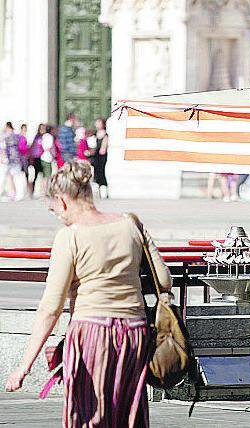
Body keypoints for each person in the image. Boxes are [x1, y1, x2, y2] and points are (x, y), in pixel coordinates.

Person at [4, 160, 173, 427]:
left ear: (62, 200)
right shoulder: (131, 225)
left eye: (53, 210)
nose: (57, 215)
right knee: (128, 414)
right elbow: (164, 280)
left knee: (88, 416)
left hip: (91, 335)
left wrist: (23, 367)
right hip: (135, 333)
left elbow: (51, 308)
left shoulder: (69, 237)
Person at [0, 122, 25, 201]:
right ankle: (16, 194)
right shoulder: (16, 136)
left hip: (9, 160)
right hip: (15, 159)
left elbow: (3, 149)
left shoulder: (6, 136)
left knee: (6, 177)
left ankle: (13, 194)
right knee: (14, 177)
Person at [90, 118, 109, 198]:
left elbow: (103, 149)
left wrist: (102, 148)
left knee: (101, 172)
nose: (97, 124)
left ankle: (104, 192)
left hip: (101, 157)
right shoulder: (95, 134)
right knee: (96, 173)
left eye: (98, 123)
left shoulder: (105, 134)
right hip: (95, 157)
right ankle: (98, 191)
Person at [28, 124, 46, 198]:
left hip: (42, 157)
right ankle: (32, 192)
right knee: (35, 175)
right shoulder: (38, 137)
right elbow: (34, 148)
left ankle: (43, 191)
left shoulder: (44, 137)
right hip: (37, 158)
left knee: (43, 175)